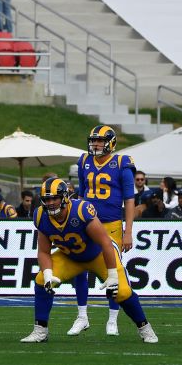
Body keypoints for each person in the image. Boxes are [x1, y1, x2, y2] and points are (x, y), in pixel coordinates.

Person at [21, 177, 158, 344]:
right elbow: (43, 251)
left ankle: (145, 328)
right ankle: (40, 331)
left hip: (98, 254)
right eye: (47, 199)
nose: (50, 203)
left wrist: (112, 274)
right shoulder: (41, 215)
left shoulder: (80, 210)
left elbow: (106, 243)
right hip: (70, 256)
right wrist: (48, 273)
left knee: (121, 292)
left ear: (64, 197)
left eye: (54, 198)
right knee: (42, 280)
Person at [69, 125, 136, 337]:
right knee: (80, 267)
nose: (95, 144)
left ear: (111, 142)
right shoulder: (84, 161)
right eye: (93, 140)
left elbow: (129, 199)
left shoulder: (121, 163)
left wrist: (128, 231)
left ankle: (113, 319)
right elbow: (81, 193)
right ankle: (82, 316)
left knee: (113, 271)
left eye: (99, 141)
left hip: (111, 223)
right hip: (87, 223)